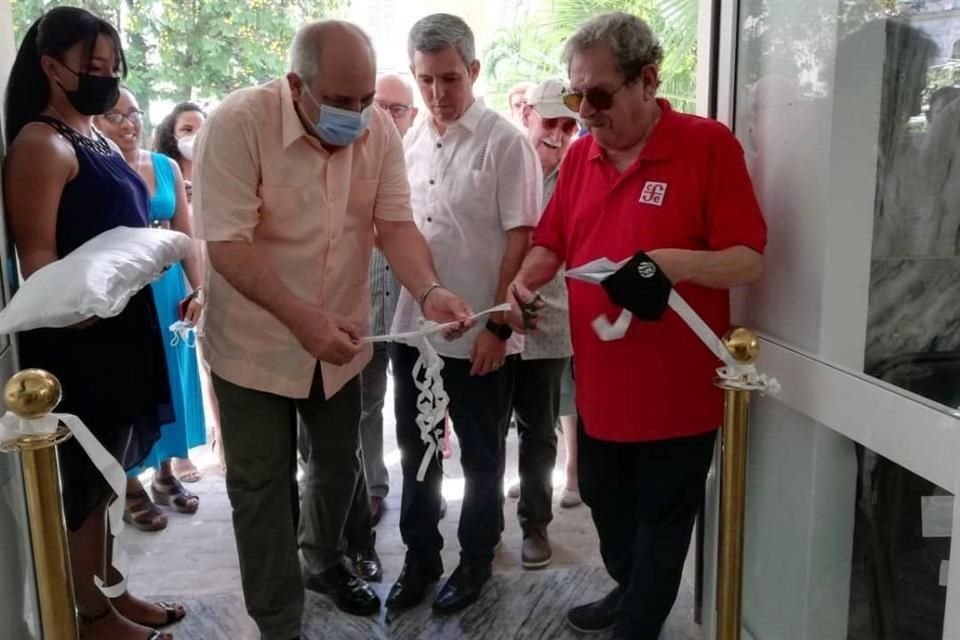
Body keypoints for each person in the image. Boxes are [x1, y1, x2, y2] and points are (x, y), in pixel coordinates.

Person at [193, 19, 473, 640]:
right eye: (341, 101)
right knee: (261, 486)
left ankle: (322, 563)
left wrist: (429, 291)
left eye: (366, 98)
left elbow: (395, 226)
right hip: (253, 347)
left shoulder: (378, 133)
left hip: (340, 340)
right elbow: (229, 247)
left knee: (337, 467)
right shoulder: (238, 124)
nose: (358, 114)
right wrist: (302, 320)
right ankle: (279, 621)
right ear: (297, 84)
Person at [507, 13, 766, 639]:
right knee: (603, 498)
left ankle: (639, 621)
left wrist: (670, 264)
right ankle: (630, 592)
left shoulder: (707, 146)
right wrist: (521, 282)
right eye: (575, 96)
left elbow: (747, 259)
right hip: (601, 385)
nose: (585, 112)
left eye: (598, 95)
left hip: (678, 394)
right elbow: (552, 241)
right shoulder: (578, 159)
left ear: (647, 80)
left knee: (663, 517)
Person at [3, 7, 186, 639]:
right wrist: (87, 317)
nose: (106, 81)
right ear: (51, 67)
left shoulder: (95, 134)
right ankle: (92, 613)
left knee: (113, 473)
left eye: (114, 69)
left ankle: (112, 588)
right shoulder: (40, 143)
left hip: (123, 324)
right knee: (86, 480)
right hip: (81, 339)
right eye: (93, 69)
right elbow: (40, 261)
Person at [386, 13, 542, 615]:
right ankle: (420, 557)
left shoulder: (505, 143)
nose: (436, 94)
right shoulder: (412, 139)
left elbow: (520, 242)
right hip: (415, 330)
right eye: (425, 80)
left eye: (449, 78)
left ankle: (475, 559)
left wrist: (498, 328)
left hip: (483, 335)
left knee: (480, 457)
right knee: (418, 450)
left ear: (473, 70)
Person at [96, 88, 206, 531]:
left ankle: (165, 474)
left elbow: (185, 233)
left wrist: (199, 290)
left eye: (134, 113)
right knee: (133, 381)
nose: (128, 123)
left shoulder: (164, 167)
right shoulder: (95, 170)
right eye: (114, 115)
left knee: (175, 377)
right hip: (125, 292)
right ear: (95, 122)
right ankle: (129, 483)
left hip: (168, 289)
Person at [505, 79, 579, 570]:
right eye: (549, 120)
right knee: (486, 430)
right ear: (528, 113)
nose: (557, 132)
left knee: (541, 432)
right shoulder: (503, 162)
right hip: (494, 321)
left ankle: (536, 524)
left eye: (568, 124)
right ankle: (483, 526)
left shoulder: (580, 176)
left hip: (552, 325)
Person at [359, 73, 418, 526]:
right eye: (378, 105)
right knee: (365, 409)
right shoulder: (348, 161)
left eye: (397, 108)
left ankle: (422, 495)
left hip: (414, 317)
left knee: (418, 412)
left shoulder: (423, 165)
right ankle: (372, 489)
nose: (386, 115)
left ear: (411, 115)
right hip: (362, 317)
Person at [153, 102, 224, 475]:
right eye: (186, 130)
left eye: (201, 127)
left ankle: (223, 440)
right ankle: (177, 455)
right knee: (178, 360)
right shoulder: (164, 173)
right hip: (174, 274)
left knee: (215, 359)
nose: (194, 136)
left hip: (214, 269)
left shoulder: (222, 169)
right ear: (171, 135)